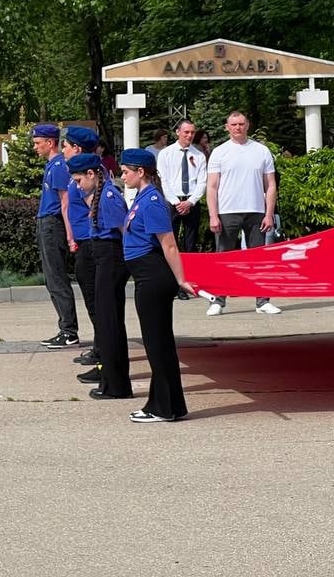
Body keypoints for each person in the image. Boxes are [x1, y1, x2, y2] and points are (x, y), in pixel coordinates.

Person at [118, 149, 197, 422]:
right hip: (145, 277)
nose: (122, 175)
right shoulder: (142, 198)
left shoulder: (152, 201)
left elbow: (169, 244)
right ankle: (166, 405)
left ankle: (163, 407)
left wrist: (181, 280)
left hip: (153, 278)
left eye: (126, 171)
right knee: (157, 344)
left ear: (141, 172)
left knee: (157, 344)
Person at [66, 154, 132, 398]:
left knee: (110, 321)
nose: (77, 185)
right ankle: (111, 380)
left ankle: (116, 384)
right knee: (106, 321)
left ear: (92, 174)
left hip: (112, 257)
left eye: (79, 179)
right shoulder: (98, 195)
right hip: (103, 255)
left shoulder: (109, 196)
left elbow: (125, 230)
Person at [205, 110, 281, 315]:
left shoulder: (261, 151)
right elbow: (211, 186)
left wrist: (269, 213)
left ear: (247, 125)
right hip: (227, 212)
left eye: (241, 124)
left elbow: (271, 185)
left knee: (258, 259)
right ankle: (218, 301)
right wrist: (213, 215)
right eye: (233, 124)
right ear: (227, 127)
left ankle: (262, 301)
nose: (237, 128)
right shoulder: (219, 152)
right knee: (223, 258)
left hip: (256, 211)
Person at [32, 123, 78, 348]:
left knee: (57, 278)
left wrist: (70, 235)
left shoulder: (59, 166)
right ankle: (65, 327)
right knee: (52, 279)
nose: (35, 147)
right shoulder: (52, 165)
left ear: (50, 143)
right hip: (46, 223)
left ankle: (69, 330)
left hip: (53, 225)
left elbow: (65, 202)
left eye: (38, 143)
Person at [61, 127, 100, 369]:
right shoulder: (78, 173)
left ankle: (102, 350)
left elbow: (92, 208)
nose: (63, 150)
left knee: (96, 301)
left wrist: (73, 237)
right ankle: (100, 346)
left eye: (66, 146)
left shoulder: (90, 175)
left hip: (91, 243)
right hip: (84, 242)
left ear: (77, 148)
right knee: (92, 300)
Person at [156, 119, 207, 254]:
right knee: (170, 240)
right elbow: (164, 180)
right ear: (178, 132)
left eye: (192, 132)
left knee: (191, 241)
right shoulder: (165, 154)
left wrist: (190, 202)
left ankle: (190, 270)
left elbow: (202, 182)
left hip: (192, 201)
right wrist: (176, 203)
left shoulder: (199, 156)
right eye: (186, 132)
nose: (189, 135)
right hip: (172, 201)